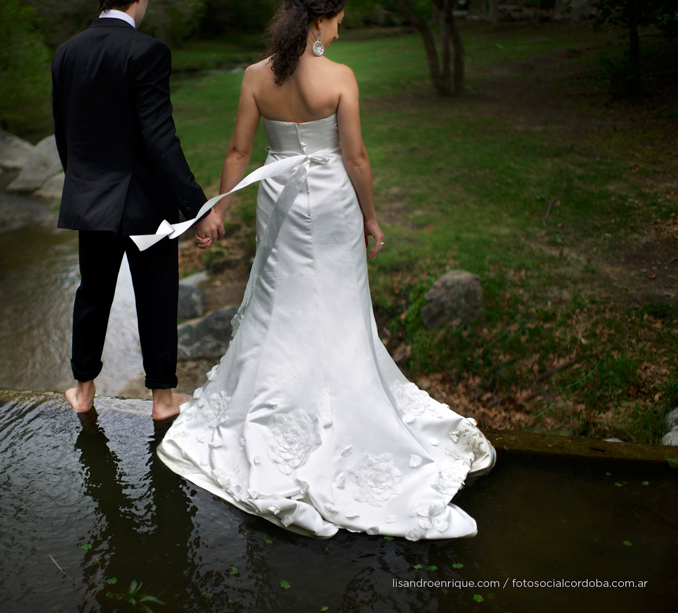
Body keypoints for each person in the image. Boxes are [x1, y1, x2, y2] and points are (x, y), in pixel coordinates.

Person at [157, 0, 496, 539]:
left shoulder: (254, 76)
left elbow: (239, 149)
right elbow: (356, 157)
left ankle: (273, 407)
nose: (342, 28)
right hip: (334, 204)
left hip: (280, 200)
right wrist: (371, 216)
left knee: (281, 300)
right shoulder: (339, 77)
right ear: (320, 20)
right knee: (336, 303)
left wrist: (218, 209)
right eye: (339, 18)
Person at [52, 0, 223, 420]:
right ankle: (163, 401)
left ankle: (84, 391)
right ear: (139, 0)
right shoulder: (147, 50)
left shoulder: (67, 51)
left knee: (92, 293)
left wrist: (80, 183)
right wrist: (197, 207)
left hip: (89, 196)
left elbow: (63, 131)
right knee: (157, 294)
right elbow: (160, 136)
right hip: (144, 202)